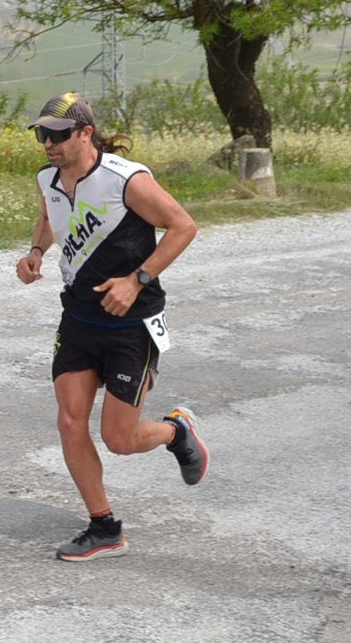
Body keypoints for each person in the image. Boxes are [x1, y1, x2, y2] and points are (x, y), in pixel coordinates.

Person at [14, 93, 210, 561]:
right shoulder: (49, 178)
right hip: (78, 318)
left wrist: (138, 279)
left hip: (131, 323)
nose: (48, 143)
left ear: (85, 133)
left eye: (58, 135)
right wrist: (37, 252)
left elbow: (183, 226)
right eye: (42, 134)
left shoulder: (127, 180)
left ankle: (176, 432)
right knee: (69, 420)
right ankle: (105, 526)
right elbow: (48, 215)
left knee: (120, 439)